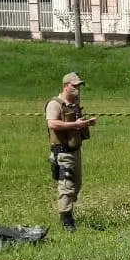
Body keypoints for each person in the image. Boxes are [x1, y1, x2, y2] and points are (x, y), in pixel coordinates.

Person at [45, 72, 96, 232]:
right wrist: (75, 125)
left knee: (76, 185)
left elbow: (76, 124)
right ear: (66, 86)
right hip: (62, 151)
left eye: (79, 86)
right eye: (74, 86)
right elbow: (53, 124)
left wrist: (86, 124)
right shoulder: (55, 104)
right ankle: (66, 218)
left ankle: (69, 212)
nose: (77, 89)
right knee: (66, 185)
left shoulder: (74, 104)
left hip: (75, 150)